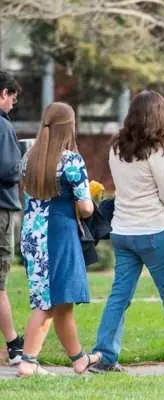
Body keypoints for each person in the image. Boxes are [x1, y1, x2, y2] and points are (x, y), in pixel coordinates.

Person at [89, 90, 164, 374]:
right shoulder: (156, 151)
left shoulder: (116, 148)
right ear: (156, 117)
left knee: (119, 296)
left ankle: (104, 356)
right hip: (153, 232)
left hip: (123, 233)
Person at [18, 102, 101, 376]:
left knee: (61, 302)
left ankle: (79, 359)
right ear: (69, 127)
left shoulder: (29, 158)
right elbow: (86, 207)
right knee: (49, 302)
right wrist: (88, 199)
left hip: (33, 234)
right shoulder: (71, 160)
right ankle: (28, 362)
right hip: (60, 235)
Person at [0, 71, 24, 365]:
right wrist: (21, 160)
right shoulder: (4, 127)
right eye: (13, 98)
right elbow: (8, 170)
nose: (13, 105)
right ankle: (14, 345)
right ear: (3, 93)